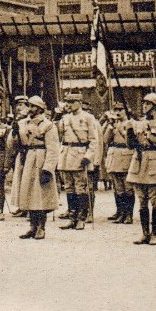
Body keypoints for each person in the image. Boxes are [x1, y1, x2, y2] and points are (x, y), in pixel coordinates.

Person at [127, 93, 156, 246]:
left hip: (155, 165)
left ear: (154, 107)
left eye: (147, 104)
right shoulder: (137, 124)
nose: (144, 106)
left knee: (155, 202)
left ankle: (154, 234)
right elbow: (131, 145)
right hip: (139, 165)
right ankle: (145, 234)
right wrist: (129, 131)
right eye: (143, 104)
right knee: (141, 202)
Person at [15, 96, 60, 240]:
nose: (29, 109)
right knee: (29, 193)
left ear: (39, 109)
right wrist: (15, 132)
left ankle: (41, 227)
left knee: (40, 195)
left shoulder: (48, 125)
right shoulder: (23, 123)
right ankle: (32, 227)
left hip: (41, 158)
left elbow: (53, 149)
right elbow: (20, 143)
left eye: (32, 106)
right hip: (29, 157)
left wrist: (48, 168)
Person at [57, 92, 100, 231]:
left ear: (79, 103)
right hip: (66, 153)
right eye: (67, 102)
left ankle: (82, 217)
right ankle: (72, 217)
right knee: (69, 187)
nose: (68, 105)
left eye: (72, 102)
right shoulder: (64, 118)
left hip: (80, 154)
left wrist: (89, 156)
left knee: (80, 187)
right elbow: (59, 135)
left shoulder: (88, 117)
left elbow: (94, 140)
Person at [102, 103, 136, 224]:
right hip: (115, 156)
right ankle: (120, 213)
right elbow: (105, 140)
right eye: (116, 109)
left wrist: (121, 129)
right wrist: (110, 126)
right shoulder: (114, 124)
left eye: (120, 110)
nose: (118, 112)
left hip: (126, 155)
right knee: (118, 188)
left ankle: (128, 215)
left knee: (128, 188)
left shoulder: (131, 124)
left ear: (126, 111)